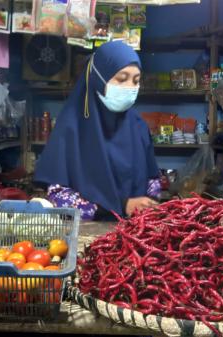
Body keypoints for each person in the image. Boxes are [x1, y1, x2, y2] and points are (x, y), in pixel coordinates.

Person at [34, 41, 160, 221]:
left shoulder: (138, 126)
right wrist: (121, 206)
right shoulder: (71, 126)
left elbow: (152, 179)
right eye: (122, 78)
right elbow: (58, 195)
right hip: (89, 233)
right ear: (99, 78)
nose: (130, 87)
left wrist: (148, 204)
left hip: (138, 232)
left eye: (136, 80)